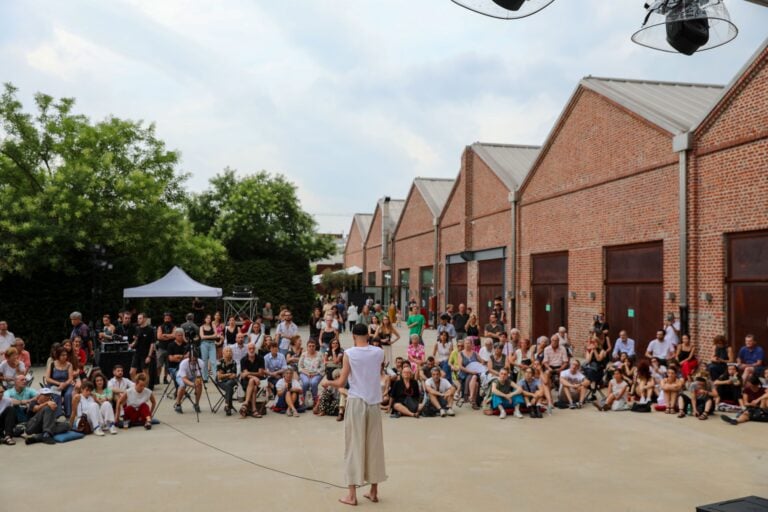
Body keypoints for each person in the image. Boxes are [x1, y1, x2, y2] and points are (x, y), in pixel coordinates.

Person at [329, 322, 386, 506]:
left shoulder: (349, 354)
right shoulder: (379, 352)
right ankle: (374, 490)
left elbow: (341, 382)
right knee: (375, 446)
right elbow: (376, 372)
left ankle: (352, 495)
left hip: (356, 402)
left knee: (354, 445)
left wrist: (327, 383)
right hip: (374, 403)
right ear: (368, 335)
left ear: (353, 336)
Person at [45, 346, 74, 418]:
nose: (65, 357)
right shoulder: (52, 364)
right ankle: (58, 415)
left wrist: (64, 384)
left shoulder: (69, 365)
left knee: (68, 394)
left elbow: (70, 378)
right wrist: (59, 384)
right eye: (62, 355)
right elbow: (47, 378)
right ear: (58, 355)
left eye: (66, 355)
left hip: (66, 384)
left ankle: (68, 414)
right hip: (54, 384)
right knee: (57, 394)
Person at [239, 343, 267, 418]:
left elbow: (261, 373)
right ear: (247, 349)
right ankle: (254, 410)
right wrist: (254, 377)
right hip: (246, 381)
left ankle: (246, 403)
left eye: (253, 348)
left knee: (253, 384)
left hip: (259, 381)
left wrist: (249, 373)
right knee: (252, 383)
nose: (251, 350)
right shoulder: (243, 360)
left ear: (255, 349)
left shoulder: (260, 358)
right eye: (250, 348)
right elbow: (245, 375)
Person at [130, 313, 156, 383]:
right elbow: (136, 339)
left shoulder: (150, 329)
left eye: (140, 318)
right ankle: (136, 386)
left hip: (145, 353)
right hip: (137, 352)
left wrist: (149, 356)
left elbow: (152, 344)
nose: (138, 320)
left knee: (145, 372)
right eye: (138, 318)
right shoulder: (137, 328)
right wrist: (132, 344)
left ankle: (146, 388)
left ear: (144, 319)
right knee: (132, 372)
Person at [299, 339, 325, 406]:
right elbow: (300, 367)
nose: (311, 348)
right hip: (305, 373)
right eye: (309, 346)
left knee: (313, 383)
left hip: (317, 373)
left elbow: (322, 367)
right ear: (307, 347)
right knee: (305, 383)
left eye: (313, 346)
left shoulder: (320, 354)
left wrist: (315, 373)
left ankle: (315, 399)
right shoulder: (303, 354)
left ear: (315, 346)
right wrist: (306, 373)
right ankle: (304, 398)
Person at [217, 346, 239, 416]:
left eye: (230, 351)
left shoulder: (234, 362)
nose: (229, 352)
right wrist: (229, 374)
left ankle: (227, 406)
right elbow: (219, 376)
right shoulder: (220, 362)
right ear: (223, 353)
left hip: (231, 381)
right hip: (221, 381)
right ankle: (228, 406)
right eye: (227, 351)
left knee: (229, 384)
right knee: (229, 387)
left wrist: (225, 375)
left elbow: (234, 375)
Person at [156, 312, 176, 384]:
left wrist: (165, 335)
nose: (167, 320)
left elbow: (174, 336)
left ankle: (165, 378)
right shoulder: (160, 327)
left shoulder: (174, 327)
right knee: (159, 365)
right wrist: (169, 336)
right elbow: (159, 337)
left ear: (170, 319)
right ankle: (157, 378)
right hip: (161, 348)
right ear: (164, 319)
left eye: (168, 318)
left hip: (170, 349)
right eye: (166, 318)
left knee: (167, 365)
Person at [198, 314, 218, 383]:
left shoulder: (213, 326)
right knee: (204, 361)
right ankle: (205, 377)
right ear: (204, 319)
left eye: (209, 318)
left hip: (212, 344)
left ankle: (216, 377)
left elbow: (216, 335)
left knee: (213, 361)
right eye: (207, 318)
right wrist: (211, 336)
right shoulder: (201, 327)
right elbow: (202, 337)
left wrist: (208, 336)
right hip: (204, 344)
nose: (208, 319)